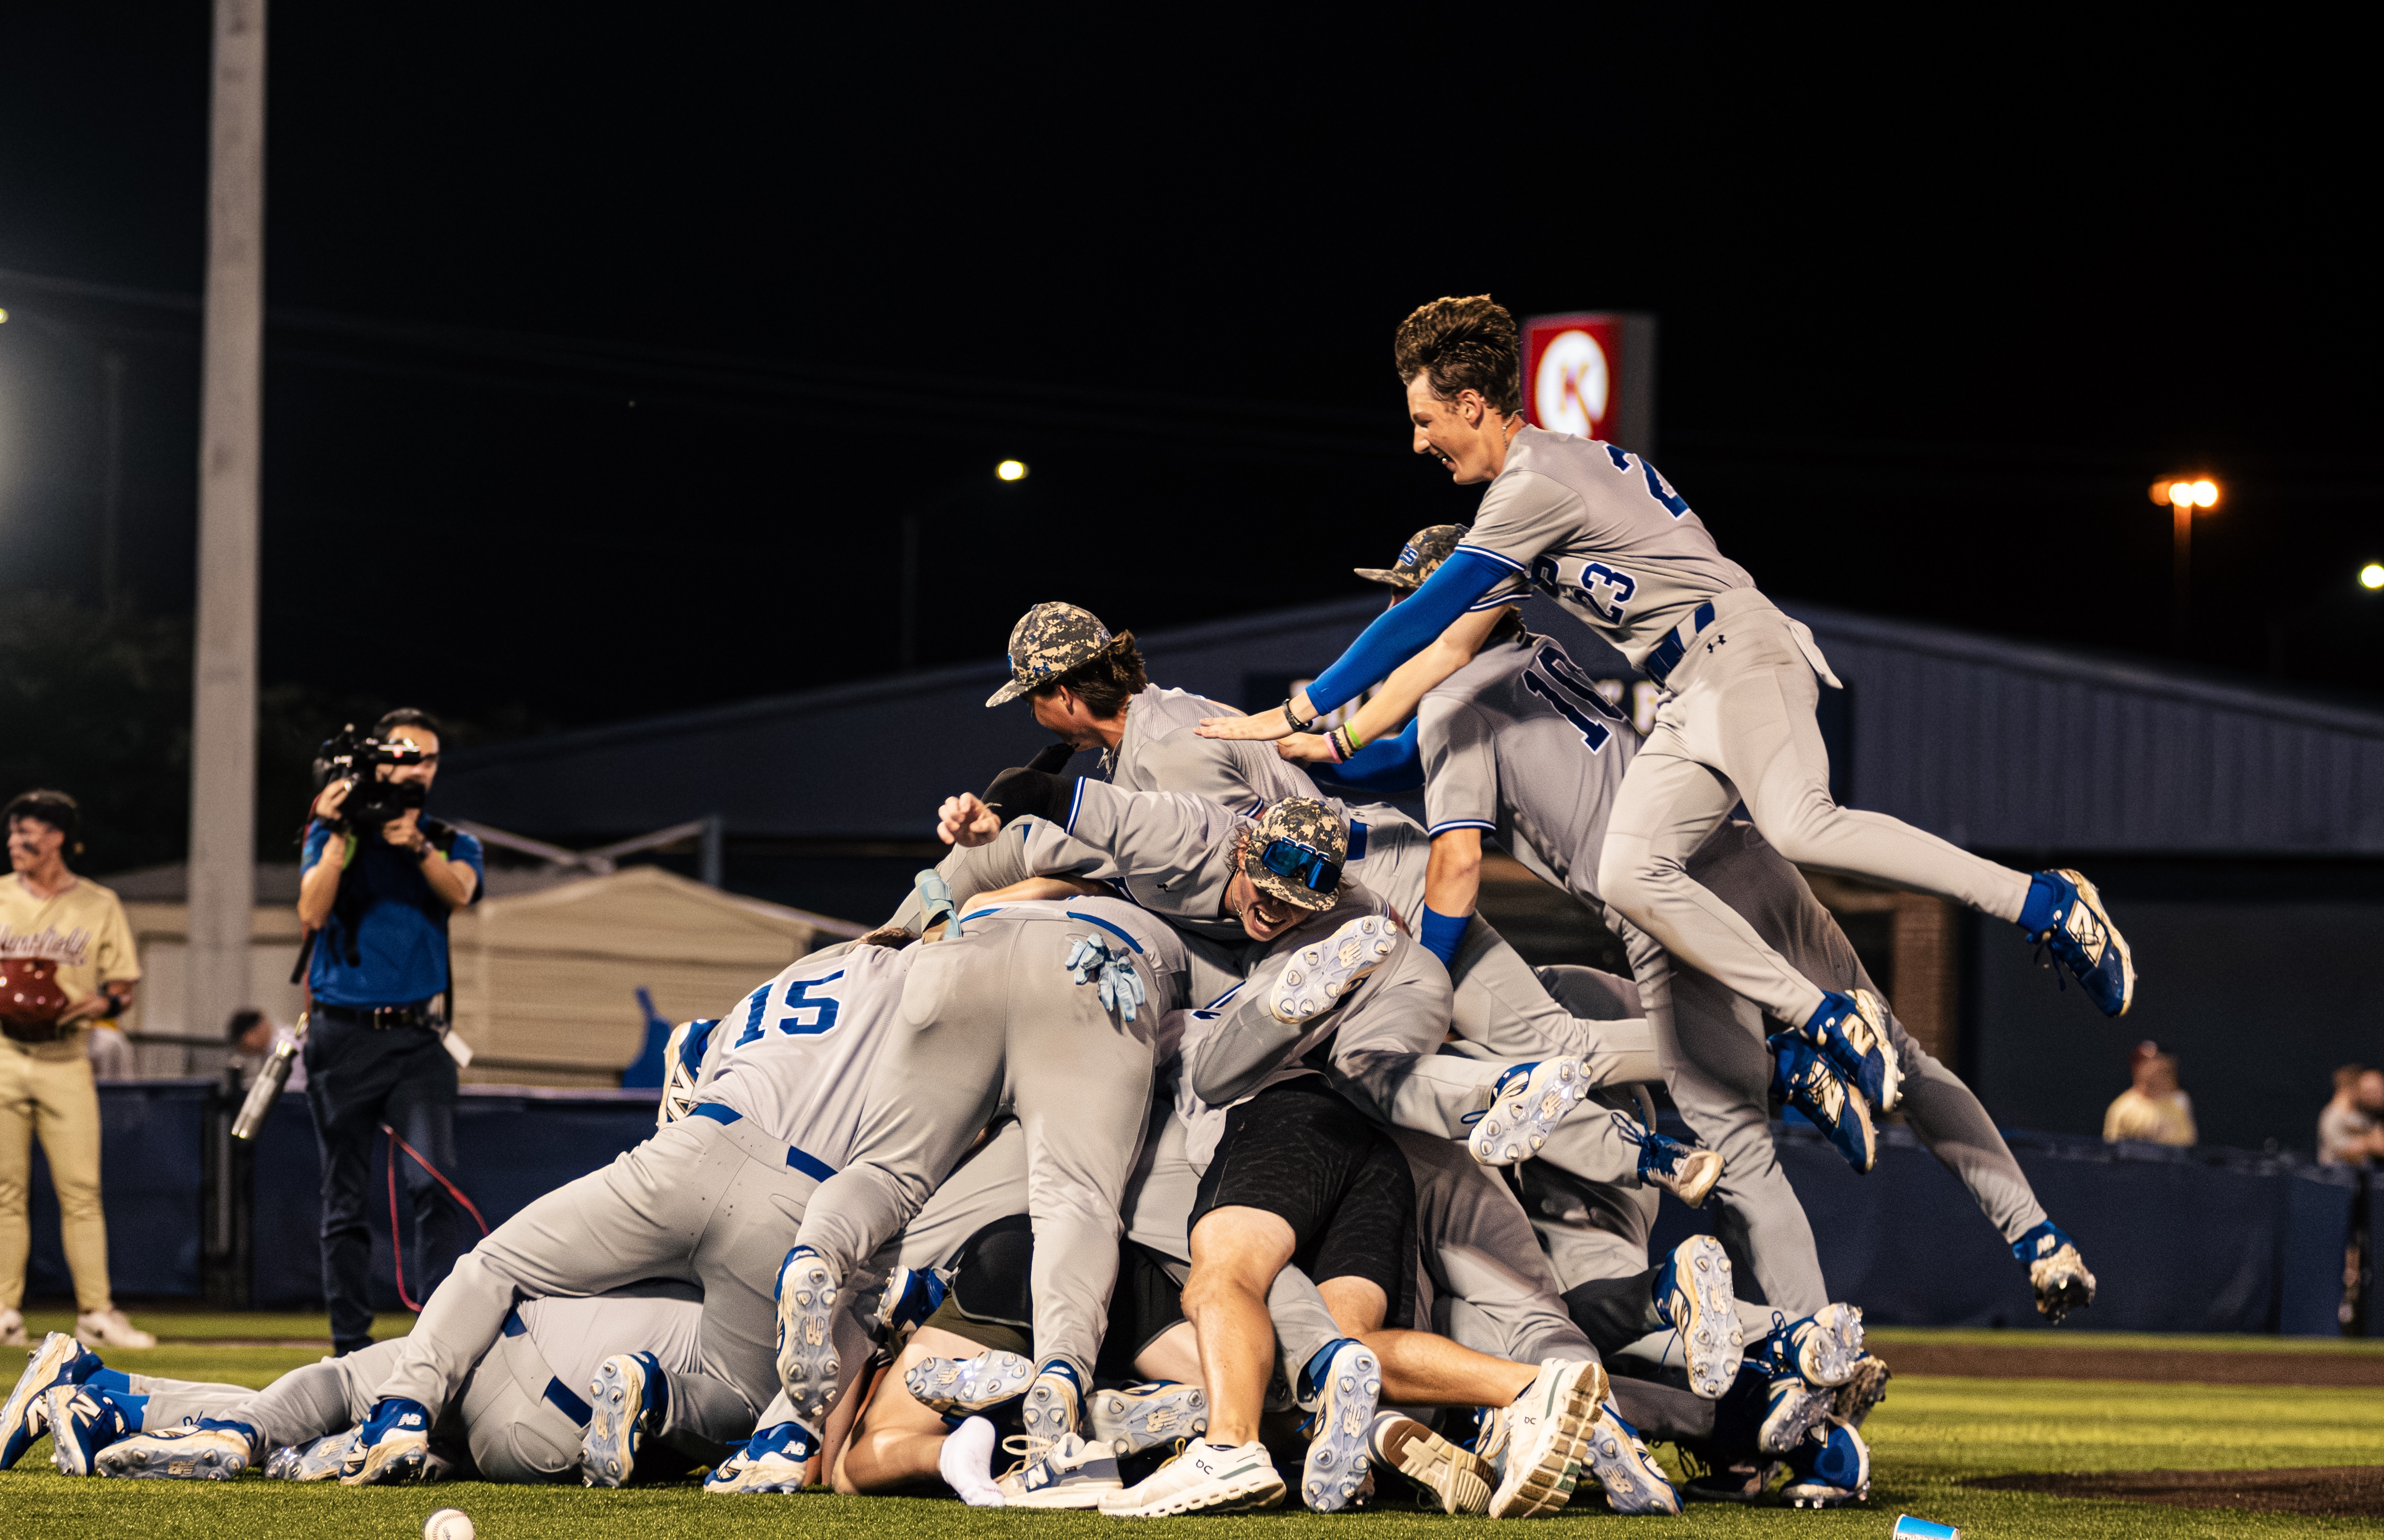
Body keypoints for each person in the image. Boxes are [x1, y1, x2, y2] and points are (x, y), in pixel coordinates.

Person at [1204, 294, 2136, 1115]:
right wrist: (1346, 733)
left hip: (1736, 651)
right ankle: (1819, 1018)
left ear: (1471, 405)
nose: (1417, 441)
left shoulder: (1530, 486)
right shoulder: (1545, 475)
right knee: (1629, 875)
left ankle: (2042, 902)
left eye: (1423, 419)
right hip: (1693, 686)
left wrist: (1303, 708)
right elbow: (1447, 648)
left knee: (1802, 825)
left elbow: (1429, 619)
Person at [295, 709, 485, 1356]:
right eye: (403, 755)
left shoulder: (448, 838)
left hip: (416, 1040)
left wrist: (418, 846)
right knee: (343, 1199)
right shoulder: (335, 832)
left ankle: (436, 1338)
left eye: (427, 759)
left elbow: (460, 892)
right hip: (341, 1034)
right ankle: (349, 1346)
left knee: (433, 1181)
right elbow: (312, 909)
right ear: (377, 759)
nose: (415, 768)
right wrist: (334, 831)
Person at [0, 787, 153, 1350]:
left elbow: (123, 988)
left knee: (81, 1191)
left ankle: (97, 1311)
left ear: (58, 837)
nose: (16, 842)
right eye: (14, 833)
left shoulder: (97, 902)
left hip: (67, 1057)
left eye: (29, 833)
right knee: (4, 1191)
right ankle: (4, 1310)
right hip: (3, 1055)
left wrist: (89, 1005)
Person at [2102, 1041, 2196, 1146]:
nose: (2159, 1065)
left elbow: (2189, 1143)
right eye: (2150, 1062)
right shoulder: (2122, 1108)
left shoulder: (2179, 1100)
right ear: (2138, 1068)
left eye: (2165, 1070)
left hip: (2173, 1161)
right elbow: (2113, 1151)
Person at [2318, 1065, 2384, 1167]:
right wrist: (2369, 1143)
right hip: (2340, 1176)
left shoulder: (2364, 1115)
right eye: (2368, 1091)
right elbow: (2341, 1149)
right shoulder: (2334, 1116)